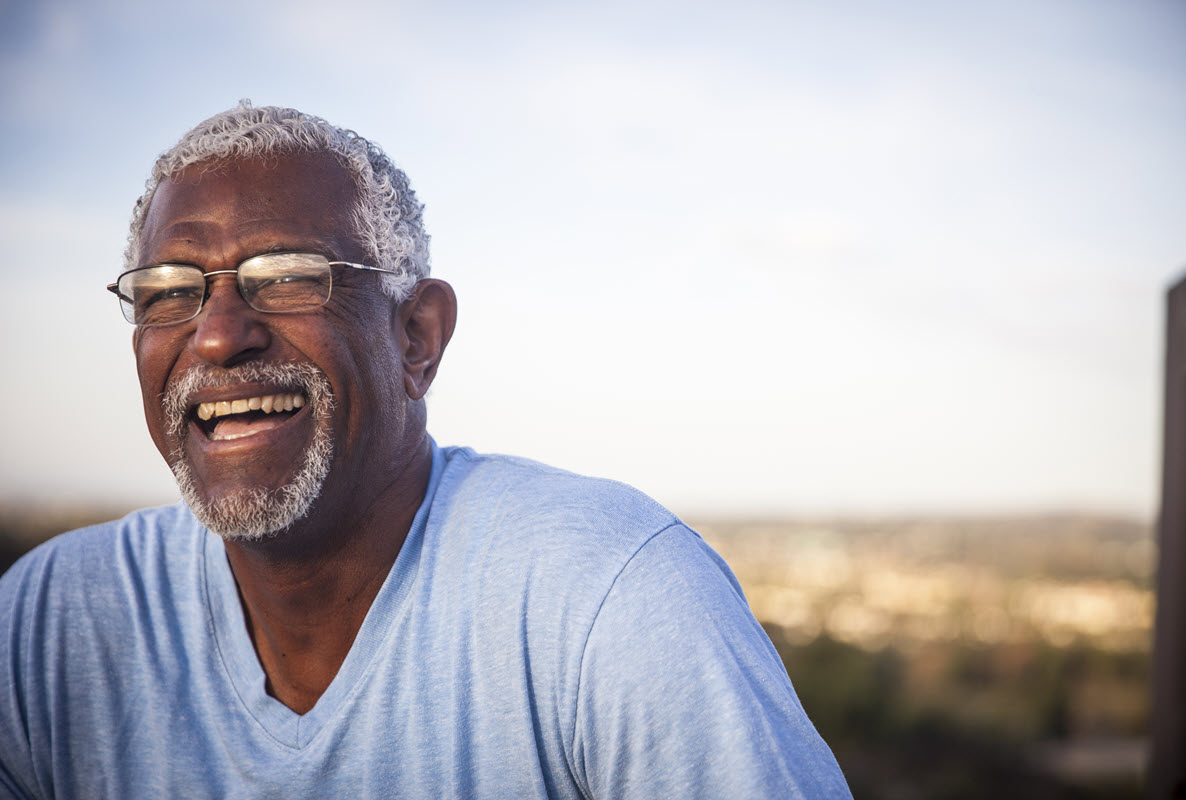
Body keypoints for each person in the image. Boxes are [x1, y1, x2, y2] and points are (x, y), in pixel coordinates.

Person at [0, 102, 851, 799]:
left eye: (288, 275)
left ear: (417, 337)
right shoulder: (52, 625)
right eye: (168, 292)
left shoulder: (610, 598)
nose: (218, 335)